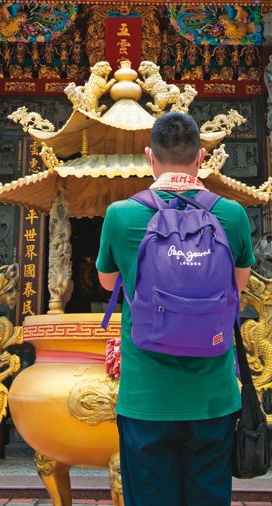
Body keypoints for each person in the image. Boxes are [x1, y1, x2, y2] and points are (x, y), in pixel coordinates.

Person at [96, 111, 254, 506]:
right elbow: (238, 287)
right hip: (213, 397)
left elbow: (109, 283)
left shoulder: (121, 215)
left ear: (149, 156)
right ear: (201, 156)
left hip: (145, 397)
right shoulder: (232, 214)